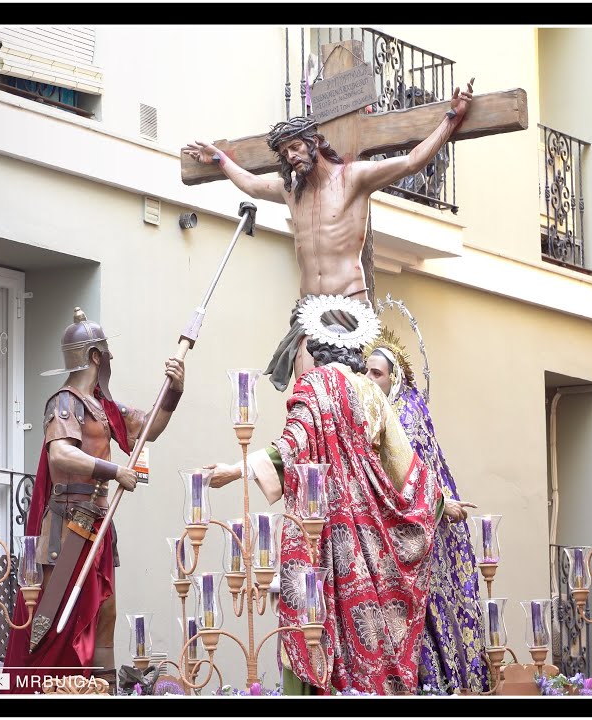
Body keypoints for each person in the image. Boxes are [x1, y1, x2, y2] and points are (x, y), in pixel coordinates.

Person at [207, 298, 441, 695]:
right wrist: (426, 509)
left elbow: (293, 445)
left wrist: (235, 470)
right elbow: (411, 473)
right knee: (370, 629)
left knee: (310, 618)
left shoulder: (316, 387)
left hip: (323, 526)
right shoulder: (371, 391)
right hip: (371, 536)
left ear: (312, 349)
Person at [181, 82, 474, 392]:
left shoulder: (353, 178)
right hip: (308, 308)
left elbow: (412, 161)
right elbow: (252, 185)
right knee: (306, 391)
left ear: (313, 142)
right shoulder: (291, 192)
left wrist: (451, 117)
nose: (291, 156)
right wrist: (219, 160)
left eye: (295, 147)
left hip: (347, 305)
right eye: (285, 153)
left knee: (332, 391)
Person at [2, 308, 185, 694]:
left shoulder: (104, 407)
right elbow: (60, 456)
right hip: (68, 527)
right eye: (107, 352)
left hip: (99, 523)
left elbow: (149, 427)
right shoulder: (65, 402)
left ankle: (104, 693)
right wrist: (113, 471)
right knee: (59, 622)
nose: (111, 360)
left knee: (104, 612)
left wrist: (173, 391)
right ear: (95, 357)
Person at [364, 327, 487, 693]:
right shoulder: (371, 413)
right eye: (365, 371)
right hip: (383, 529)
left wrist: (439, 505)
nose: (368, 379)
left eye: (377, 373)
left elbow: (414, 477)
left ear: (394, 378)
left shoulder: (407, 415)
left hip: (416, 532)